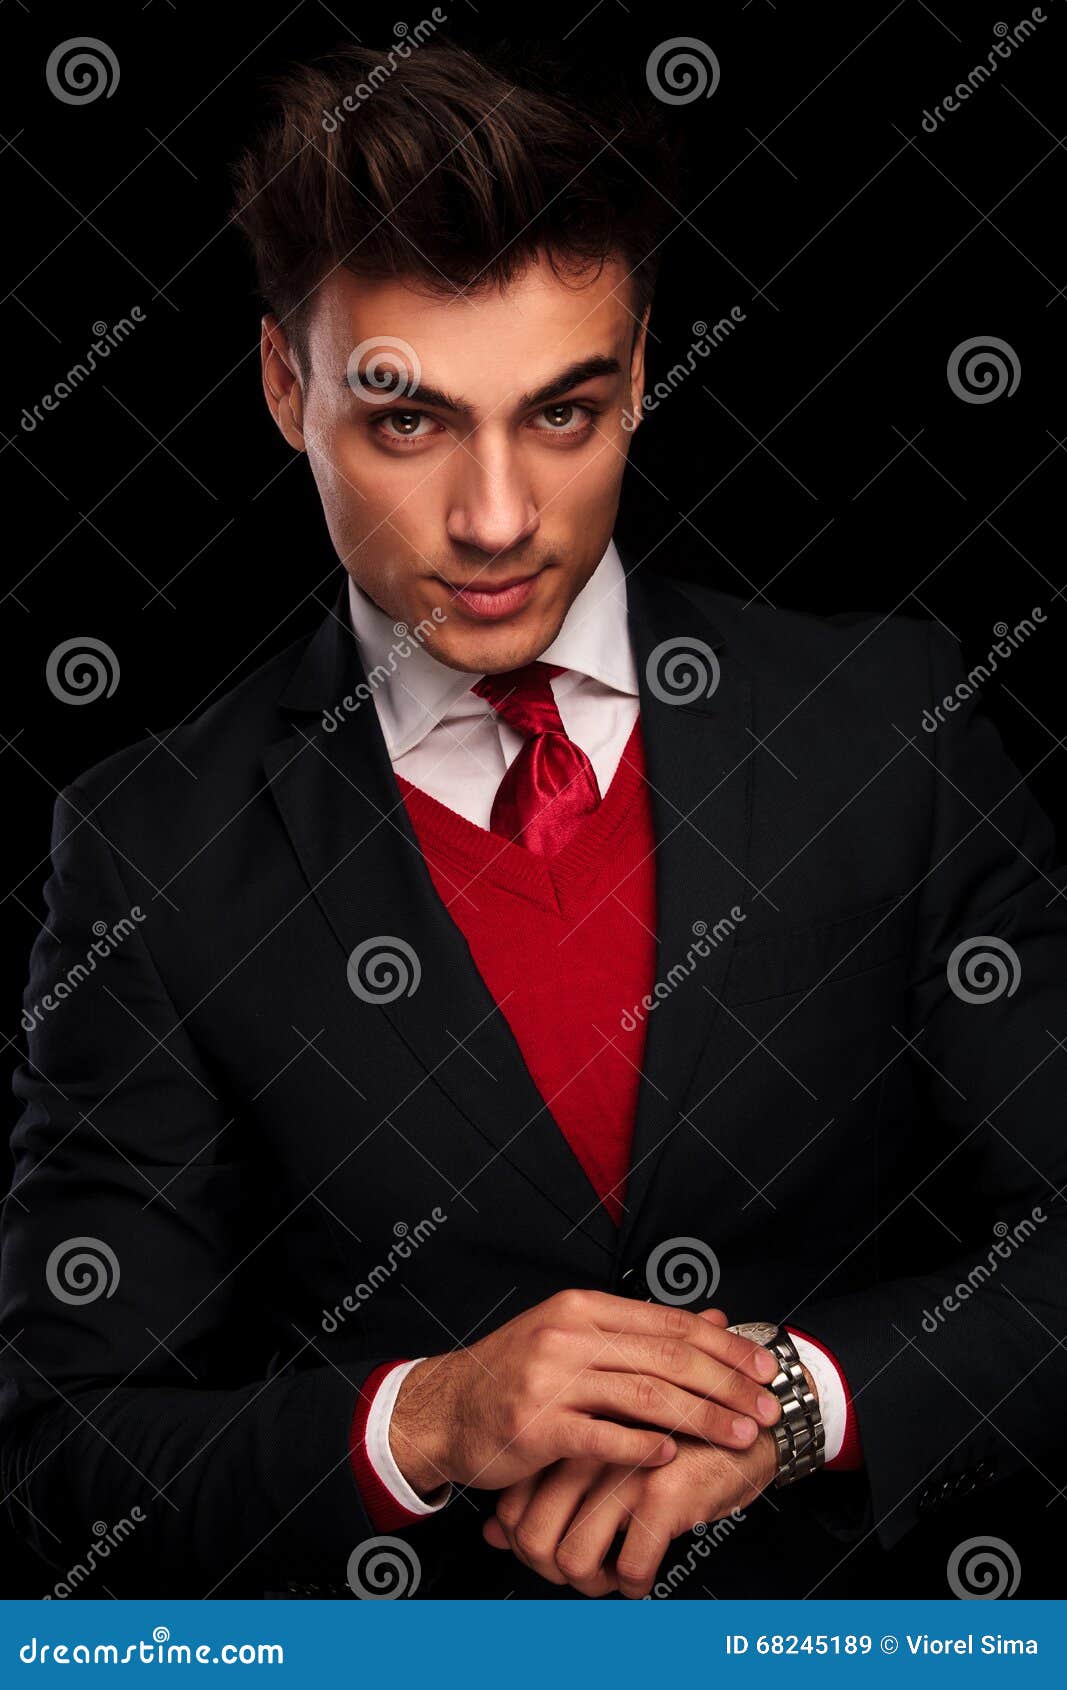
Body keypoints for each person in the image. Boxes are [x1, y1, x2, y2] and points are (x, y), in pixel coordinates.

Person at [2, 41, 1064, 1601]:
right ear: (287, 387)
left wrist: (801, 1402)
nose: (498, 520)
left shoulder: (882, 725)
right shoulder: (153, 846)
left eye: (563, 415)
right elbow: (64, 1457)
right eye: (409, 423)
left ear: (640, 376)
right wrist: (422, 1421)